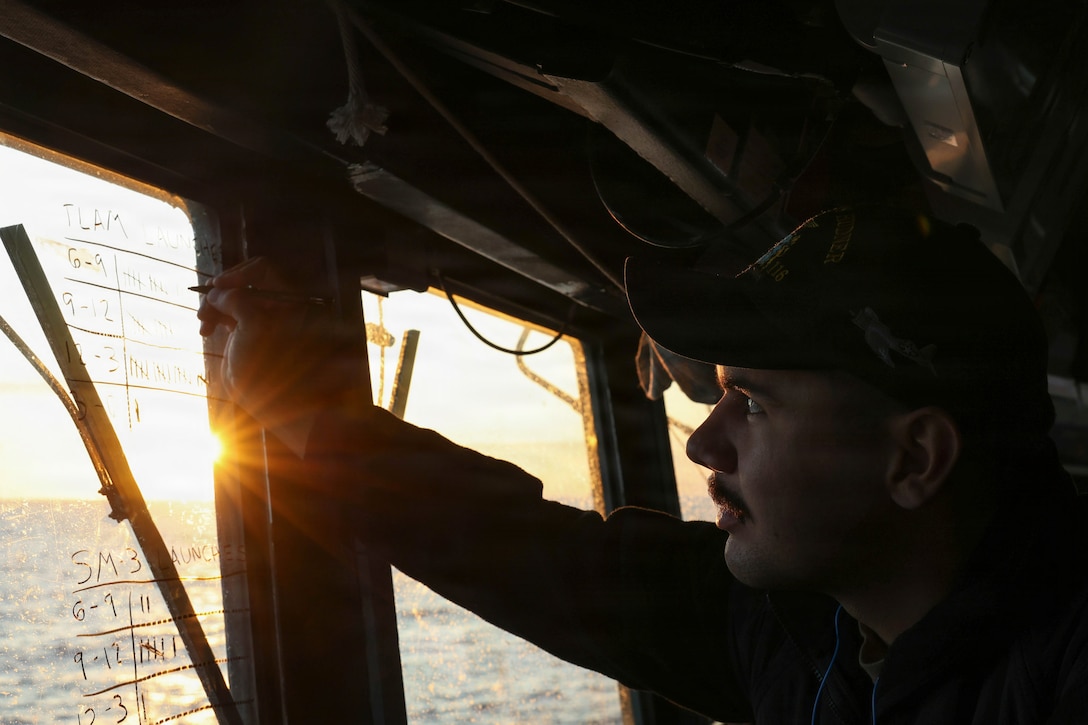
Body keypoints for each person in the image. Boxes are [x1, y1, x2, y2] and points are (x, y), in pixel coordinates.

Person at [197, 205, 1088, 723]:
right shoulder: (801, 625)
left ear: (916, 458)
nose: (705, 444)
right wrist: (309, 417)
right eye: (719, 398)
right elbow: (540, 561)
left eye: (757, 403)